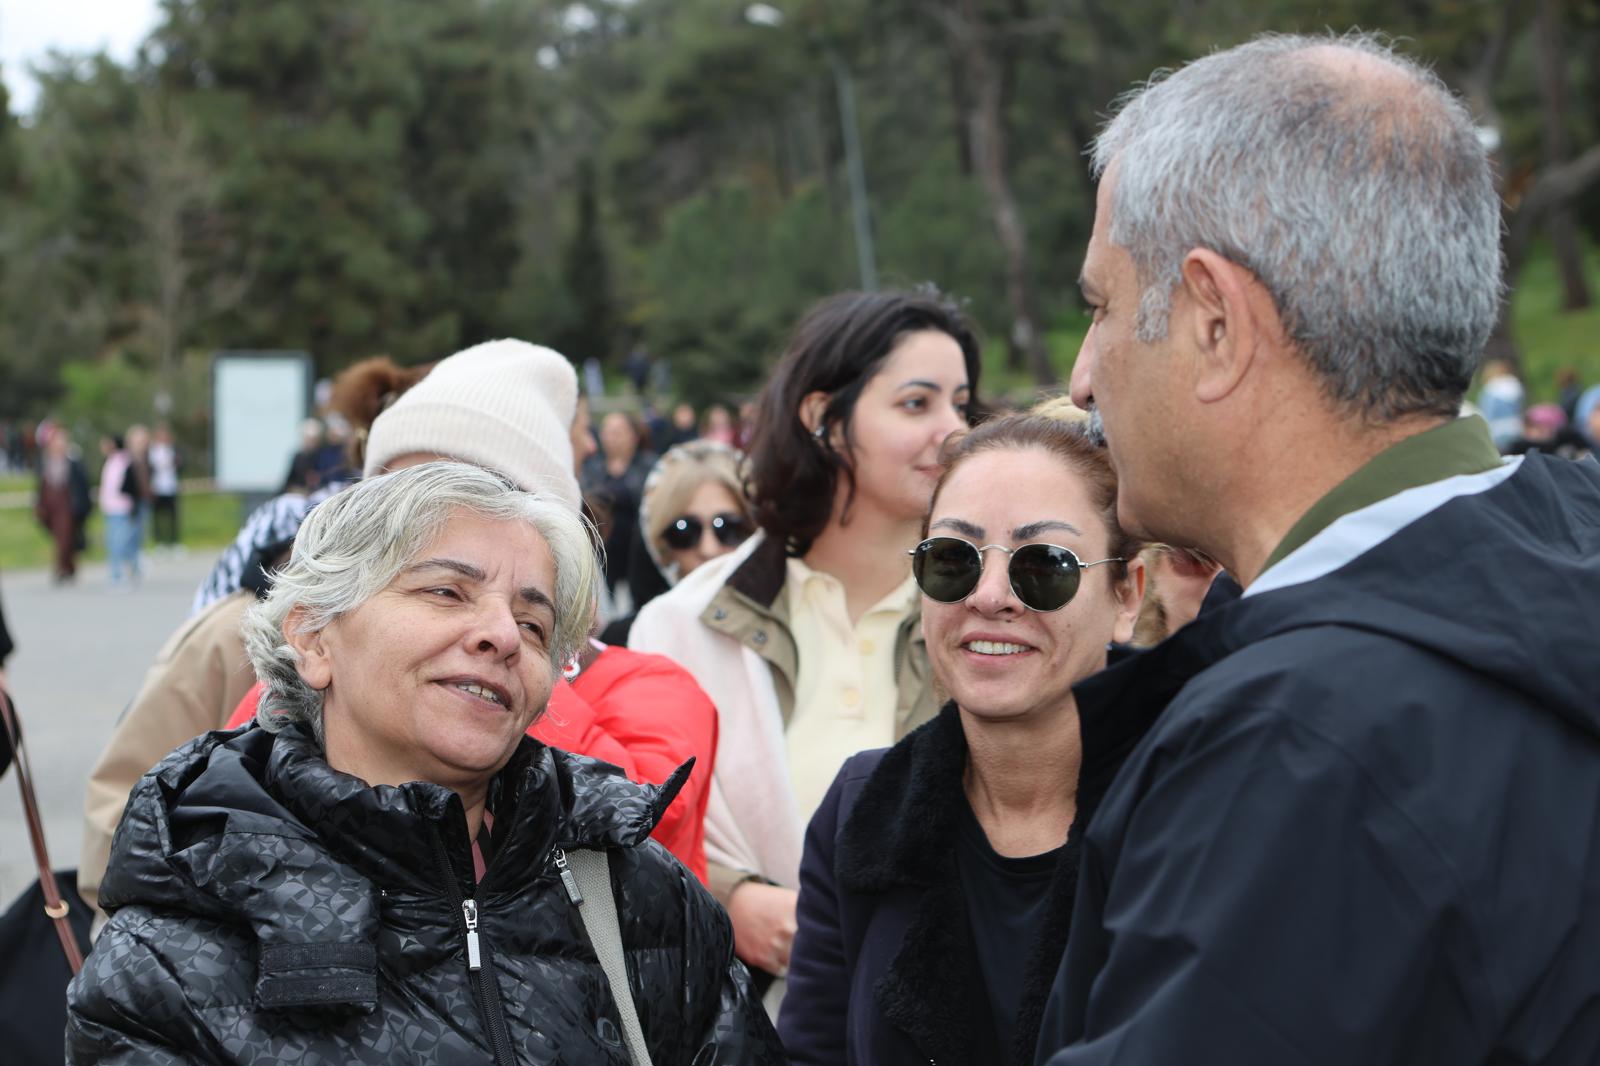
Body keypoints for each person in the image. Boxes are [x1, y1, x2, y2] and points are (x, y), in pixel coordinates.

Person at [1040, 32, 1600, 1065]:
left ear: (1215, 322)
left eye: (1101, 307)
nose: (1081, 376)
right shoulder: (1563, 552)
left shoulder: (1294, 748)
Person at [66, 462, 783, 1064]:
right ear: (313, 638)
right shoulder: (171, 953)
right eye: (446, 592)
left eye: (533, 623)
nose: (502, 635)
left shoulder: (643, 897)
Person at [79, 340, 720, 918]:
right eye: (394, 493)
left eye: (469, 493)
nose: (418, 516)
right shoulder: (296, 680)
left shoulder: (647, 690)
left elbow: (641, 837)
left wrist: (523, 662)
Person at [631, 287, 981, 997]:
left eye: (962, 404)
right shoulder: (685, 626)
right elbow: (634, 834)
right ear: (823, 418)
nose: (954, 431)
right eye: (917, 403)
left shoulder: (991, 611)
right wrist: (730, 899)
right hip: (756, 1018)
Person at [781, 409, 1145, 1066]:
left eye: (1045, 564)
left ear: (1127, 596)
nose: (990, 594)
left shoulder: (1196, 806)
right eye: (953, 559)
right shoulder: (862, 809)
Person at [602, 439, 755, 645]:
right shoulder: (628, 640)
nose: (708, 549)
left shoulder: (782, 627)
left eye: (729, 527)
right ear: (661, 543)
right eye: (685, 531)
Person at [582, 411, 656, 598]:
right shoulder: (591, 467)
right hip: (602, 553)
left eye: (617, 432)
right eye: (607, 431)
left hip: (636, 552)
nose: (611, 437)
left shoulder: (648, 467)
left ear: (633, 436)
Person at [33, 425, 92, 583]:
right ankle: (69, 566)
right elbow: (40, 486)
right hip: (51, 505)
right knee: (60, 537)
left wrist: (83, 506)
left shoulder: (73, 462)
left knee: (65, 536)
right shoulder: (45, 462)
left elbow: (81, 485)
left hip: (67, 505)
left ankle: (61, 568)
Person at [96, 435, 140, 586]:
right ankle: (130, 567)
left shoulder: (123, 461)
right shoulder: (111, 461)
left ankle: (118, 573)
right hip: (110, 508)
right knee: (115, 541)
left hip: (121, 507)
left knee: (119, 542)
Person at [148, 423, 181, 551]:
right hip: (157, 488)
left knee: (173, 517)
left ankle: (174, 542)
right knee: (158, 517)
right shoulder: (152, 451)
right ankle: (159, 542)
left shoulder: (172, 450)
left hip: (170, 487)